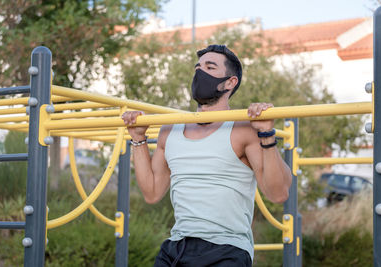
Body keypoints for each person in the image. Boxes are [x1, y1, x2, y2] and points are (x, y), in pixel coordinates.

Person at [122, 44, 292, 267]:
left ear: (230, 82)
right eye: (198, 67)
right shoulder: (169, 130)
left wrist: (266, 133)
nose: (200, 73)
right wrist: (138, 138)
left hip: (226, 250)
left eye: (210, 67)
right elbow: (152, 193)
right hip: (176, 247)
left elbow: (278, 193)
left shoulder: (242, 130)